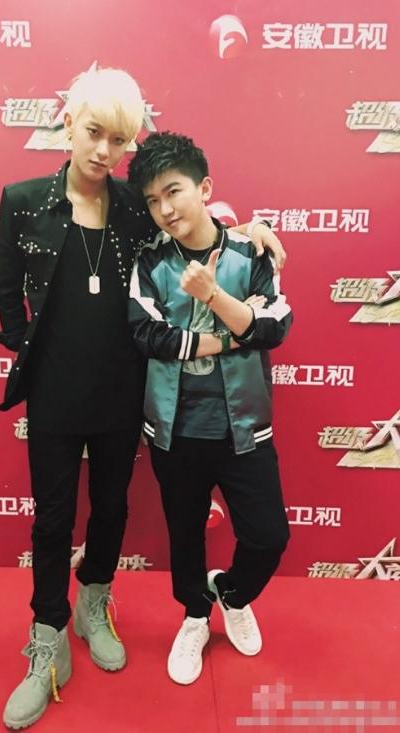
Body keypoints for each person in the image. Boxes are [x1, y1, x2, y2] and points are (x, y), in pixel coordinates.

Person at [0, 68, 287, 728]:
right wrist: (35, 355)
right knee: (51, 519)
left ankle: (94, 602)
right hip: (54, 394)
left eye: (118, 141)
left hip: (124, 395)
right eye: (94, 133)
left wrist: (255, 226)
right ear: (69, 123)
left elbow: (192, 217)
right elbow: (8, 297)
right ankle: (46, 637)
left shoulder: (132, 204)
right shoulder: (24, 200)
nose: (104, 151)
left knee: (112, 507)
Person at [127, 131, 292, 686]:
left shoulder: (251, 254)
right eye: (153, 200)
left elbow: (273, 327)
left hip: (245, 428)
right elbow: (148, 335)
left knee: (268, 536)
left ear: (204, 188)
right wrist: (227, 335)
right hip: (175, 430)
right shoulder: (150, 260)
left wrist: (212, 296)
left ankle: (232, 594)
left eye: (173, 191)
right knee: (185, 534)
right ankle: (195, 614)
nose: (165, 209)